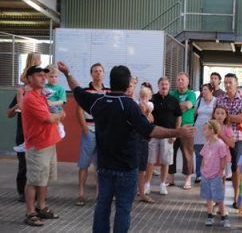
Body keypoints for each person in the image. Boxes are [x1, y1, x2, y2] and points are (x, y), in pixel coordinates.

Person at [58, 62, 195, 233]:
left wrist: (67, 73)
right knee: (123, 209)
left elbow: (77, 91)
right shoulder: (129, 105)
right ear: (126, 83)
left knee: (102, 207)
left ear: (111, 81)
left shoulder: (98, 101)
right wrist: (178, 131)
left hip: (105, 167)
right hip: (126, 168)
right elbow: (151, 130)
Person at [22, 65, 64, 226]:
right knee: (33, 180)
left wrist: (57, 115)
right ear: (30, 78)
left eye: (44, 75)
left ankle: (41, 207)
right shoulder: (30, 98)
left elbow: (54, 114)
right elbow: (49, 118)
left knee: (43, 179)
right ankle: (30, 212)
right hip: (37, 146)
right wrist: (59, 115)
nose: (43, 78)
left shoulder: (42, 96)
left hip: (49, 143)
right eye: (39, 75)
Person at [75, 63, 109, 206]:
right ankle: (81, 194)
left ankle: (99, 194)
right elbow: (79, 110)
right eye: (95, 71)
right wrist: (84, 128)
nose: (98, 74)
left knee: (100, 165)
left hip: (103, 132)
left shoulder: (108, 91)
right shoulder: (85, 91)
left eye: (100, 71)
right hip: (89, 130)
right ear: (91, 74)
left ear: (104, 73)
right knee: (84, 164)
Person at [216, 73, 242, 209]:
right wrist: (232, 117)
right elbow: (216, 116)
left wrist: (227, 117)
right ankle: (220, 199)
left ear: (236, 84)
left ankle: (237, 198)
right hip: (221, 138)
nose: (228, 85)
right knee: (220, 169)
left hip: (238, 138)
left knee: (237, 169)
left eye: (230, 82)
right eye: (226, 82)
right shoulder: (219, 99)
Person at [144, 77, 182, 195]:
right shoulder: (152, 99)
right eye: (162, 84)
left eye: (166, 84)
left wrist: (176, 133)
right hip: (154, 133)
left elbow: (178, 117)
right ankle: (147, 184)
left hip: (168, 135)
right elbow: (147, 115)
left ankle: (162, 184)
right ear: (158, 85)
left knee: (165, 161)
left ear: (169, 86)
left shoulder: (174, 100)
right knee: (151, 161)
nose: (164, 86)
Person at [200, 120, 230, 228]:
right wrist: (202, 170)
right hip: (206, 175)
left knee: (219, 198)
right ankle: (209, 215)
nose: (203, 131)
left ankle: (224, 216)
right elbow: (203, 157)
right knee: (208, 197)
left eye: (205, 129)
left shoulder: (220, 144)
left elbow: (223, 158)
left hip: (216, 175)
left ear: (212, 130)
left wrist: (220, 172)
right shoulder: (207, 143)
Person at [169, 72, 196, 189]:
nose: (180, 81)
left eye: (183, 80)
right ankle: (170, 178)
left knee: (187, 154)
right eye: (178, 79)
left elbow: (189, 105)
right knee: (171, 153)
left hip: (187, 127)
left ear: (187, 82)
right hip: (173, 127)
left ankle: (188, 179)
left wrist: (174, 106)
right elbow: (170, 107)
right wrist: (179, 106)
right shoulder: (172, 93)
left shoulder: (191, 94)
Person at [131, 83, 155, 203]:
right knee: (132, 167)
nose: (144, 98)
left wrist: (145, 111)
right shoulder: (134, 103)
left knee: (142, 168)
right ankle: (131, 192)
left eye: (146, 96)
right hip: (134, 138)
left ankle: (141, 193)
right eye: (142, 95)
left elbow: (150, 117)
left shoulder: (150, 104)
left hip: (143, 139)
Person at [194, 83, 217, 183]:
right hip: (198, 130)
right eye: (202, 90)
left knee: (210, 153)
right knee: (199, 153)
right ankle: (198, 174)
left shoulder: (216, 101)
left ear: (211, 91)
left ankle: (209, 173)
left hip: (211, 130)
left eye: (205, 89)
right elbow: (194, 113)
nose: (203, 92)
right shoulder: (199, 101)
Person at [44, 65, 67, 138]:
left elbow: (63, 101)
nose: (54, 79)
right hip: (44, 105)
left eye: (56, 76)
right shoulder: (44, 87)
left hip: (55, 106)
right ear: (46, 77)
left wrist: (52, 103)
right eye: (51, 76)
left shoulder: (60, 88)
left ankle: (59, 124)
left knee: (53, 109)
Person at [212, 106, 235, 180]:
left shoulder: (227, 128)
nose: (219, 115)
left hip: (223, 155)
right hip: (212, 155)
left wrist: (221, 135)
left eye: (222, 113)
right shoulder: (210, 127)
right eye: (217, 113)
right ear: (214, 115)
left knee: (222, 175)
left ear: (226, 116)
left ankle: (221, 190)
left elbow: (232, 144)